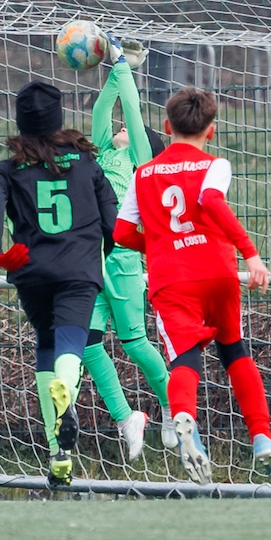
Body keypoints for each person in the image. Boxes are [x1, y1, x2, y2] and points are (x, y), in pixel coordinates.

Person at [113, 87, 271, 485]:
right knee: (234, 351)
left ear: (166, 127)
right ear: (211, 130)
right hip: (217, 272)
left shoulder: (143, 174)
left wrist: (160, 245)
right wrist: (250, 254)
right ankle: (262, 438)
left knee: (185, 359)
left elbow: (121, 232)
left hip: (172, 279)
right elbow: (210, 200)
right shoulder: (216, 165)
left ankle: (185, 421)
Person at [0, 80, 118, 486]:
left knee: (46, 343)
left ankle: (58, 455)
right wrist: (106, 246)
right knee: (71, 343)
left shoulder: (8, 168)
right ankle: (67, 392)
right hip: (78, 269)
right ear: (59, 118)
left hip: (32, 270)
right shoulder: (86, 162)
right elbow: (110, 214)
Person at [84, 33, 177, 461]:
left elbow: (133, 114)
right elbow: (102, 110)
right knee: (88, 344)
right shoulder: (103, 153)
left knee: (135, 342)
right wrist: (112, 72)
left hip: (122, 260)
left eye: (130, 130)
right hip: (89, 260)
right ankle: (127, 418)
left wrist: (122, 66)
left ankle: (173, 405)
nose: (122, 127)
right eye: (120, 129)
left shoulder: (141, 161)